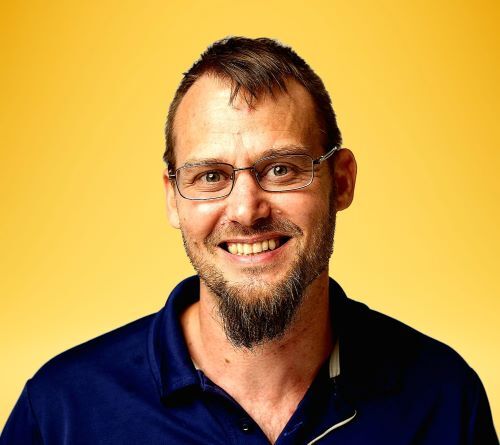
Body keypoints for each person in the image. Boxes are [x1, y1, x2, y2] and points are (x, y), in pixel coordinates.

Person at [1, 36, 497, 445]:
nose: (246, 210)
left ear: (342, 181)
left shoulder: (444, 399)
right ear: (173, 198)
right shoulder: (62, 412)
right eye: (210, 176)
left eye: (281, 169)